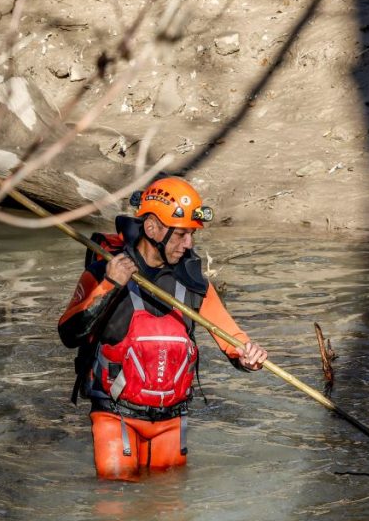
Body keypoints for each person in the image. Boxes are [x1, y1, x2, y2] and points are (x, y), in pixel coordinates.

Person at [58, 176, 267, 480]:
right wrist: (108, 286)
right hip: (115, 416)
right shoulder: (104, 270)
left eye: (191, 235)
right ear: (153, 227)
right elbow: (68, 334)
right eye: (181, 234)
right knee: (114, 510)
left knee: (169, 518)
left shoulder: (195, 284)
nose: (189, 244)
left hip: (172, 419)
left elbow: (232, 338)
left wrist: (248, 357)